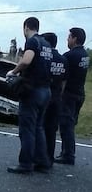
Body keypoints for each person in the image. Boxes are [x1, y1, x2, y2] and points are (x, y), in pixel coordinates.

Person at [6, 17, 53, 174]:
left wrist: (13, 72)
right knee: (38, 128)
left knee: (27, 129)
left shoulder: (32, 42)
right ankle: (42, 163)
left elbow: (26, 61)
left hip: (32, 90)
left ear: (26, 27)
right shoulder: (46, 43)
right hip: (46, 90)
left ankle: (25, 164)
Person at [55, 27, 90, 165]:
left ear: (75, 38)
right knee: (71, 124)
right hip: (80, 93)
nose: (67, 39)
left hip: (69, 94)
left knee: (66, 125)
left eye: (69, 37)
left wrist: (59, 95)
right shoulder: (84, 55)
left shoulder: (69, 56)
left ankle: (68, 154)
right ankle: (67, 152)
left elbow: (63, 78)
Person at [41, 32, 67, 166]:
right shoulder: (63, 59)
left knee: (40, 127)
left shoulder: (46, 58)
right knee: (51, 130)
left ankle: (39, 158)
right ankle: (49, 159)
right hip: (57, 97)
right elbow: (64, 82)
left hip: (44, 95)